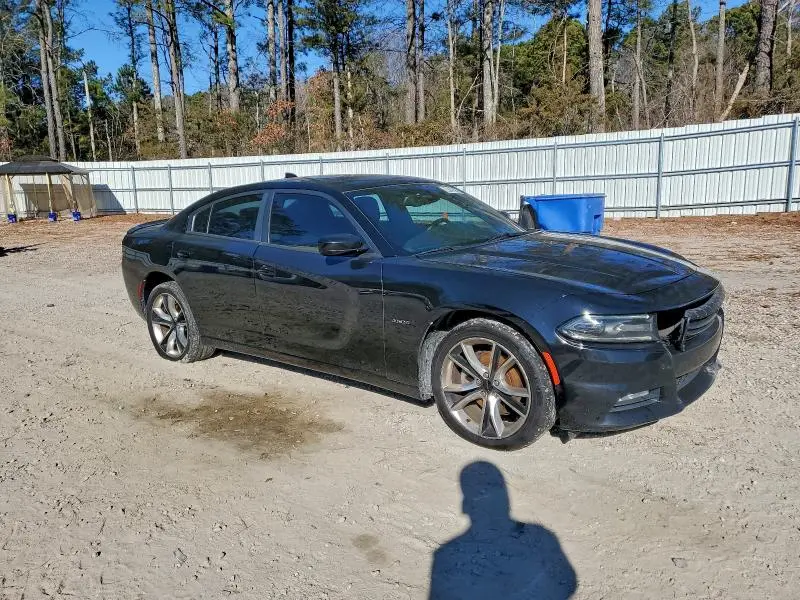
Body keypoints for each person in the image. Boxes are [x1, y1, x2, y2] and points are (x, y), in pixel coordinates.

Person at [428, 461, 577, 600]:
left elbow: (569, 583)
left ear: (466, 505)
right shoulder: (541, 537)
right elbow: (568, 585)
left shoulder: (447, 556)